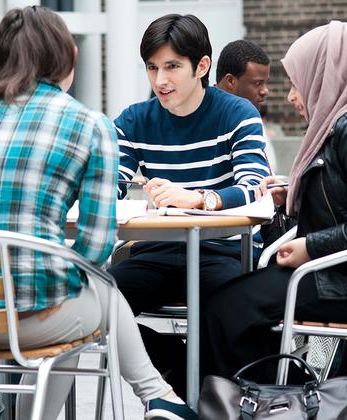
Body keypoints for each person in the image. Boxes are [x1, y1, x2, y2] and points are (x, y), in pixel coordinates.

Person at [0, 6, 196, 420]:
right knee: (97, 293)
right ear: (68, 57)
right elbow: (96, 247)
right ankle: (159, 398)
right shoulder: (90, 125)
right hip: (25, 319)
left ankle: (159, 398)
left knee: (86, 297)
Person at [203, 19, 347, 379]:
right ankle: (287, 397)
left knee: (223, 310)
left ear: (329, 77)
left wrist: (313, 247)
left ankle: (269, 399)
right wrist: (293, 194)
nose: (292, 96)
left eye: (299, 82)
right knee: (227, 307)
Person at [108, 13, 271, 396]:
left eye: (172, 67)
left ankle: (203, 390)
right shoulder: (134, 120)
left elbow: (254, 186)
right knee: (96, 304)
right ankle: (181, 371)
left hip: (223, 250)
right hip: (159, 251)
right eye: (152, 68)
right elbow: (107, 184)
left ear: (202, 66)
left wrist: (199, 198)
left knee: (230, 313)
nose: (160, 81)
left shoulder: (237, 113)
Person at [215, 39, 277, 173]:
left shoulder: (251, 119)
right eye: (257, 83)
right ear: (230, 81)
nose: (265, 91)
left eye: (265, 83)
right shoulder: (205, 118)